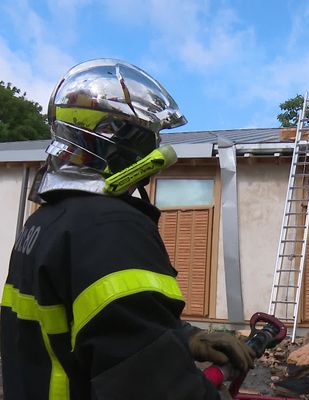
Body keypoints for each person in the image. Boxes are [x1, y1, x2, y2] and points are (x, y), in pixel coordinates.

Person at [0, 59, 254, 400]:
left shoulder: (46, 221)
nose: (157, 148)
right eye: (149, 137)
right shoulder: (111, 229)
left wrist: (186, 337)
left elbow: (105, 326)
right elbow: (152, 385)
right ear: (118, 141)